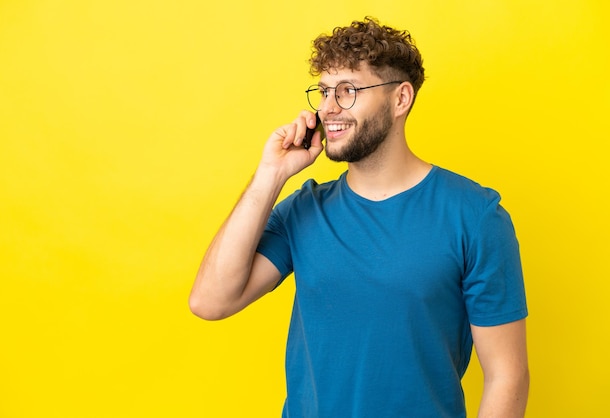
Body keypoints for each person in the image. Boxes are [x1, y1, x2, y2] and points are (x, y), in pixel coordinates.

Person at [190, 17, 529, 418]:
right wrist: (271, 174)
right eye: (324, 91)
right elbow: (210, 302)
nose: (328, 108)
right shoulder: (304, 209)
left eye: (348, 90)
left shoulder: (475, 216)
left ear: (401, 99)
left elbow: (507, 376)